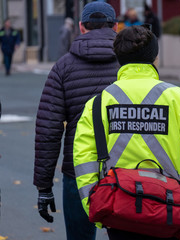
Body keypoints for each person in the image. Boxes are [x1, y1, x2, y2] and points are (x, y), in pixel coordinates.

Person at [73, 25, 180, 240]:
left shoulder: (99, 102)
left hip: (117, 207)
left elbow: (84, 158)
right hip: (167, 207)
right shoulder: (177, 98)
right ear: (154, 57)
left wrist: (95, 206)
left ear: (118, 58)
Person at [33, 2, 119, 240]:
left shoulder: (63, 67)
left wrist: (44, 187)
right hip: (126, 170)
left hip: (78, 171)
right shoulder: (130, 66)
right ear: (116, 27)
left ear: (81, 27)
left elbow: (48, 130)